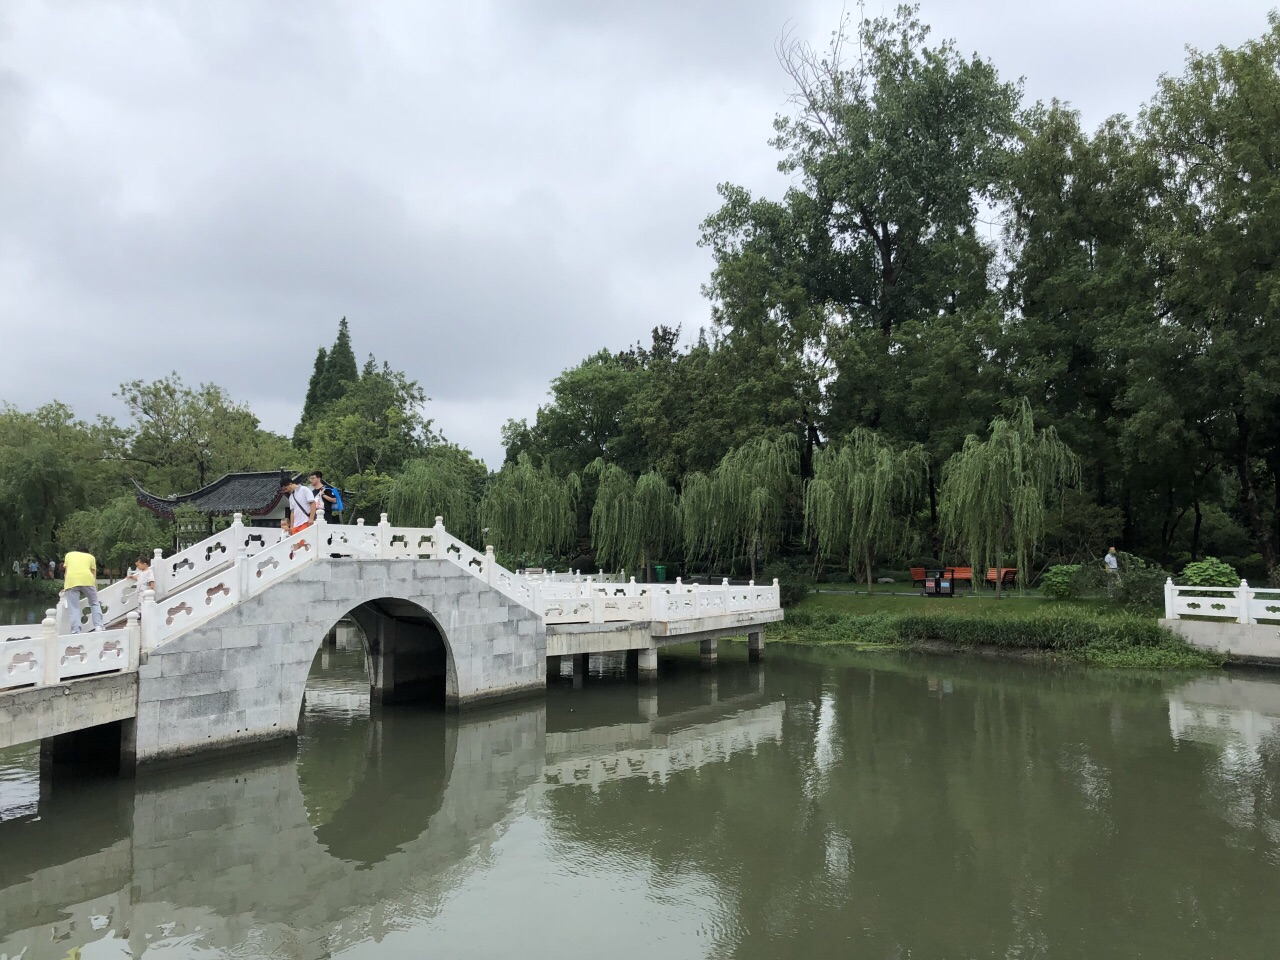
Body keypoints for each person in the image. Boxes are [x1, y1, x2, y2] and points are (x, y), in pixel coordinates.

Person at [62, 545, 104, 633]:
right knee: (94, 603)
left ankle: (76, 630)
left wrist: (65, 587)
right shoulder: (91, 557)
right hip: (88, 580)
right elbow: (93, 575)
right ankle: (98, 626)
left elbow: (66, 573)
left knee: (74, 607)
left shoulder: (69, 555)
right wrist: (95, 588)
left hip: (71, 581)